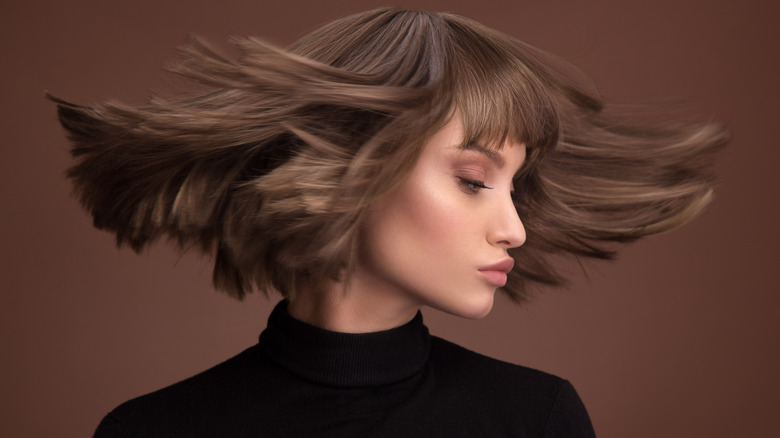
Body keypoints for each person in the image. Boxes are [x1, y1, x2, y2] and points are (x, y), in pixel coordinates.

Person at [51, 7, 726, 438]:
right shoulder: (156, 432)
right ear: (356, 167)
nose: (514, 228)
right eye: (472, 181)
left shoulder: (533, 421)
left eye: (515, 187)